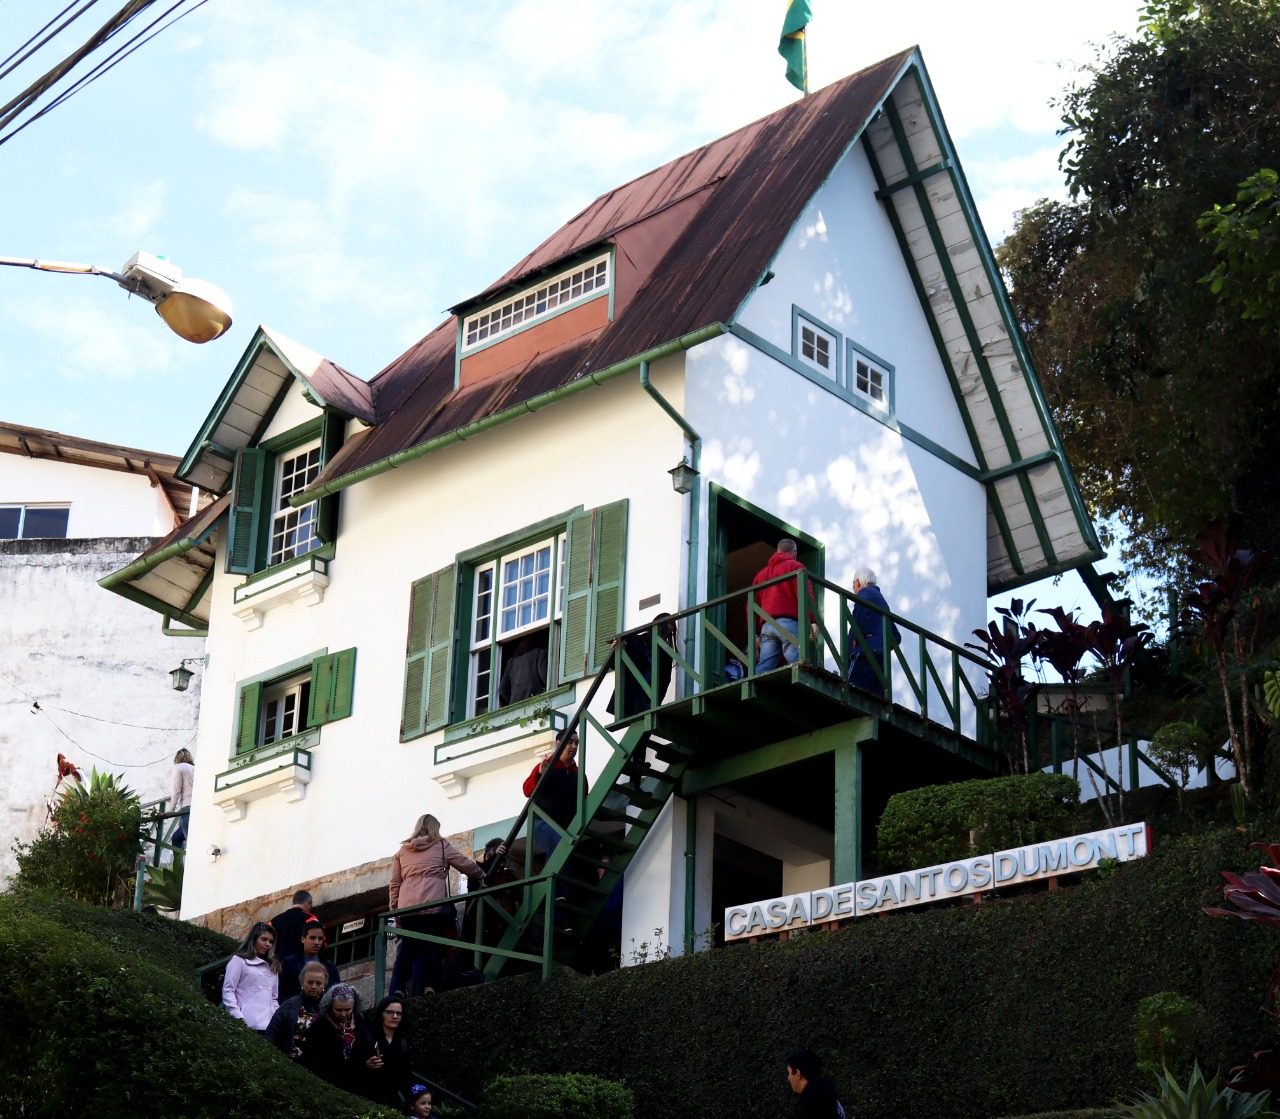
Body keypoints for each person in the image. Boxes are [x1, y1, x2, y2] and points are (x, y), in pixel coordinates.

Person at [389, 814, 484, 997]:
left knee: (408, 948)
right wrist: (480, 874)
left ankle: (399, 990)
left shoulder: (402, 851)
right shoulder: (440, 845)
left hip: (408, 906)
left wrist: (396, 911)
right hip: (433, 903)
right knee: (432, 947)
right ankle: (429, 987)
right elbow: (463, 863)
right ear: (435, 828)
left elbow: (394, 884)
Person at [750, 538, 818, 671]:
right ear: (795, 552)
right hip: (788, 624)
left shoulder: (760, 575)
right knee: (798, 662)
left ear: (777, 551)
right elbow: (805, 595)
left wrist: (756, 634)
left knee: (764, 665)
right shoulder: (796, 567)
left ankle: (755, 690)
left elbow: (751, 606)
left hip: (767, 626)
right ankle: (805, 687)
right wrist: (812, 620)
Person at [607, 613, 677, 719]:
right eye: (665, 632)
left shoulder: (666, 653)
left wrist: (656, 704)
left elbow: (665, 681)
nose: (666, 637)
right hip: (632, 695)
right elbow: (614, 664)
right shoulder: (634, 641)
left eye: (669, 635)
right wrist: (615, 650)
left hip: (648, 698)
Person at [299, 984, 366, 1092]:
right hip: (328, 1085)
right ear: (330, 1007)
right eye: (339, 1010)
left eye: (348, 1010)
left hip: (356, 1084)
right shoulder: (319, 1027)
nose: (343, 1014)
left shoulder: (361, 1022)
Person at [847, 567, 899, 699]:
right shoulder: (881, 600)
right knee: (875, 700)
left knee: (849, 690)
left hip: (864, 655)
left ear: (858, 582)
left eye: (853, 584)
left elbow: (858, 620)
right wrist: (881, 644)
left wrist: (856, 639)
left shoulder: (864, 594)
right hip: (881, 658)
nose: (853, 588)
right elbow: (896, 637)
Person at [355, 993, 413, 1108]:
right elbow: (351, 1066)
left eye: (399, 1013)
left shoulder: (402, 1043)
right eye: (390, 1012)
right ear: (381, 1014)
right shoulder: (367, 1037)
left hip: (392, 1103)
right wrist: (366, 1065)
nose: (395, 1016)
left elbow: (406, 1076)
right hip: (367, 1100)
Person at [263, 959, 330, 1059]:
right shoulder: (290, 1005)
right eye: (310, 982)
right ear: (302, 982)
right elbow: (271, 1034)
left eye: (318, 983)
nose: (314, 987)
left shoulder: (330, 1008)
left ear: (324, 984)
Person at [221, 922, 279, 1032]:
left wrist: (277, 1019)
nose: (268, 944)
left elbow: (273, 998)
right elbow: (228, 990)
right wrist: (237, 1016)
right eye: (264, 939)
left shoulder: (273, 966)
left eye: (271, 942)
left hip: (269, 1026)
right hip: (245, 1024)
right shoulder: (238, 960)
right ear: (253, 939)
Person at [278, 917, 341, 1000]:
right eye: (312, 938)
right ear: (303, 939)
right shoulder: (288, 963)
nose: (316, 942)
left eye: (320, 939)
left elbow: (337, 992)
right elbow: (280, 993)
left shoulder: (330, 966)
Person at [785, 1049, 843, 1119]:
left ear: (798, 1074)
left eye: (789, 1073)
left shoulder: (804, 1110)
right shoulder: (835, 1104)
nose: (788, 1077)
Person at [497, 633, 548, 707]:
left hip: (515, 709)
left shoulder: (512, 663)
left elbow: (502, 690)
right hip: (536, 703)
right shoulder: (541, 654)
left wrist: (513, 701)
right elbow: (545, 677)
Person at [268, 889, 315, 960]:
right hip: (301, 966)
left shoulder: (274, 921)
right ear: (307, 903)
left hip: (277, 967)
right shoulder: (310, 919)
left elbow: (266, 945)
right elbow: (318, 943)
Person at [170, 748, 194, 849]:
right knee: (177, 837)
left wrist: (171, 810)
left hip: (186, 808)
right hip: (198, 806)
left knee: (190, 840)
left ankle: (182, 864)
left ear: (177, 758)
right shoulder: (196, 768)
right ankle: (179, 864)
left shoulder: (178, 768)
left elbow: (176, 789)